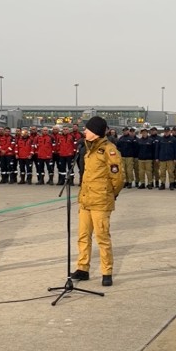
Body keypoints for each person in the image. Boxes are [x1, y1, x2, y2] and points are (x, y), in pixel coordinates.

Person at [69, 116, 124, 287]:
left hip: (100, 201)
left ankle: (106, 271)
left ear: (96, 132)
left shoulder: (109, 150)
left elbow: (118, 178)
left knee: (102, 237)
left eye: (87, 129)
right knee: (83, 236)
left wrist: (109, 194)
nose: (84, 131)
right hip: (86, 200)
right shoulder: (87, 148)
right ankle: (83, 268)